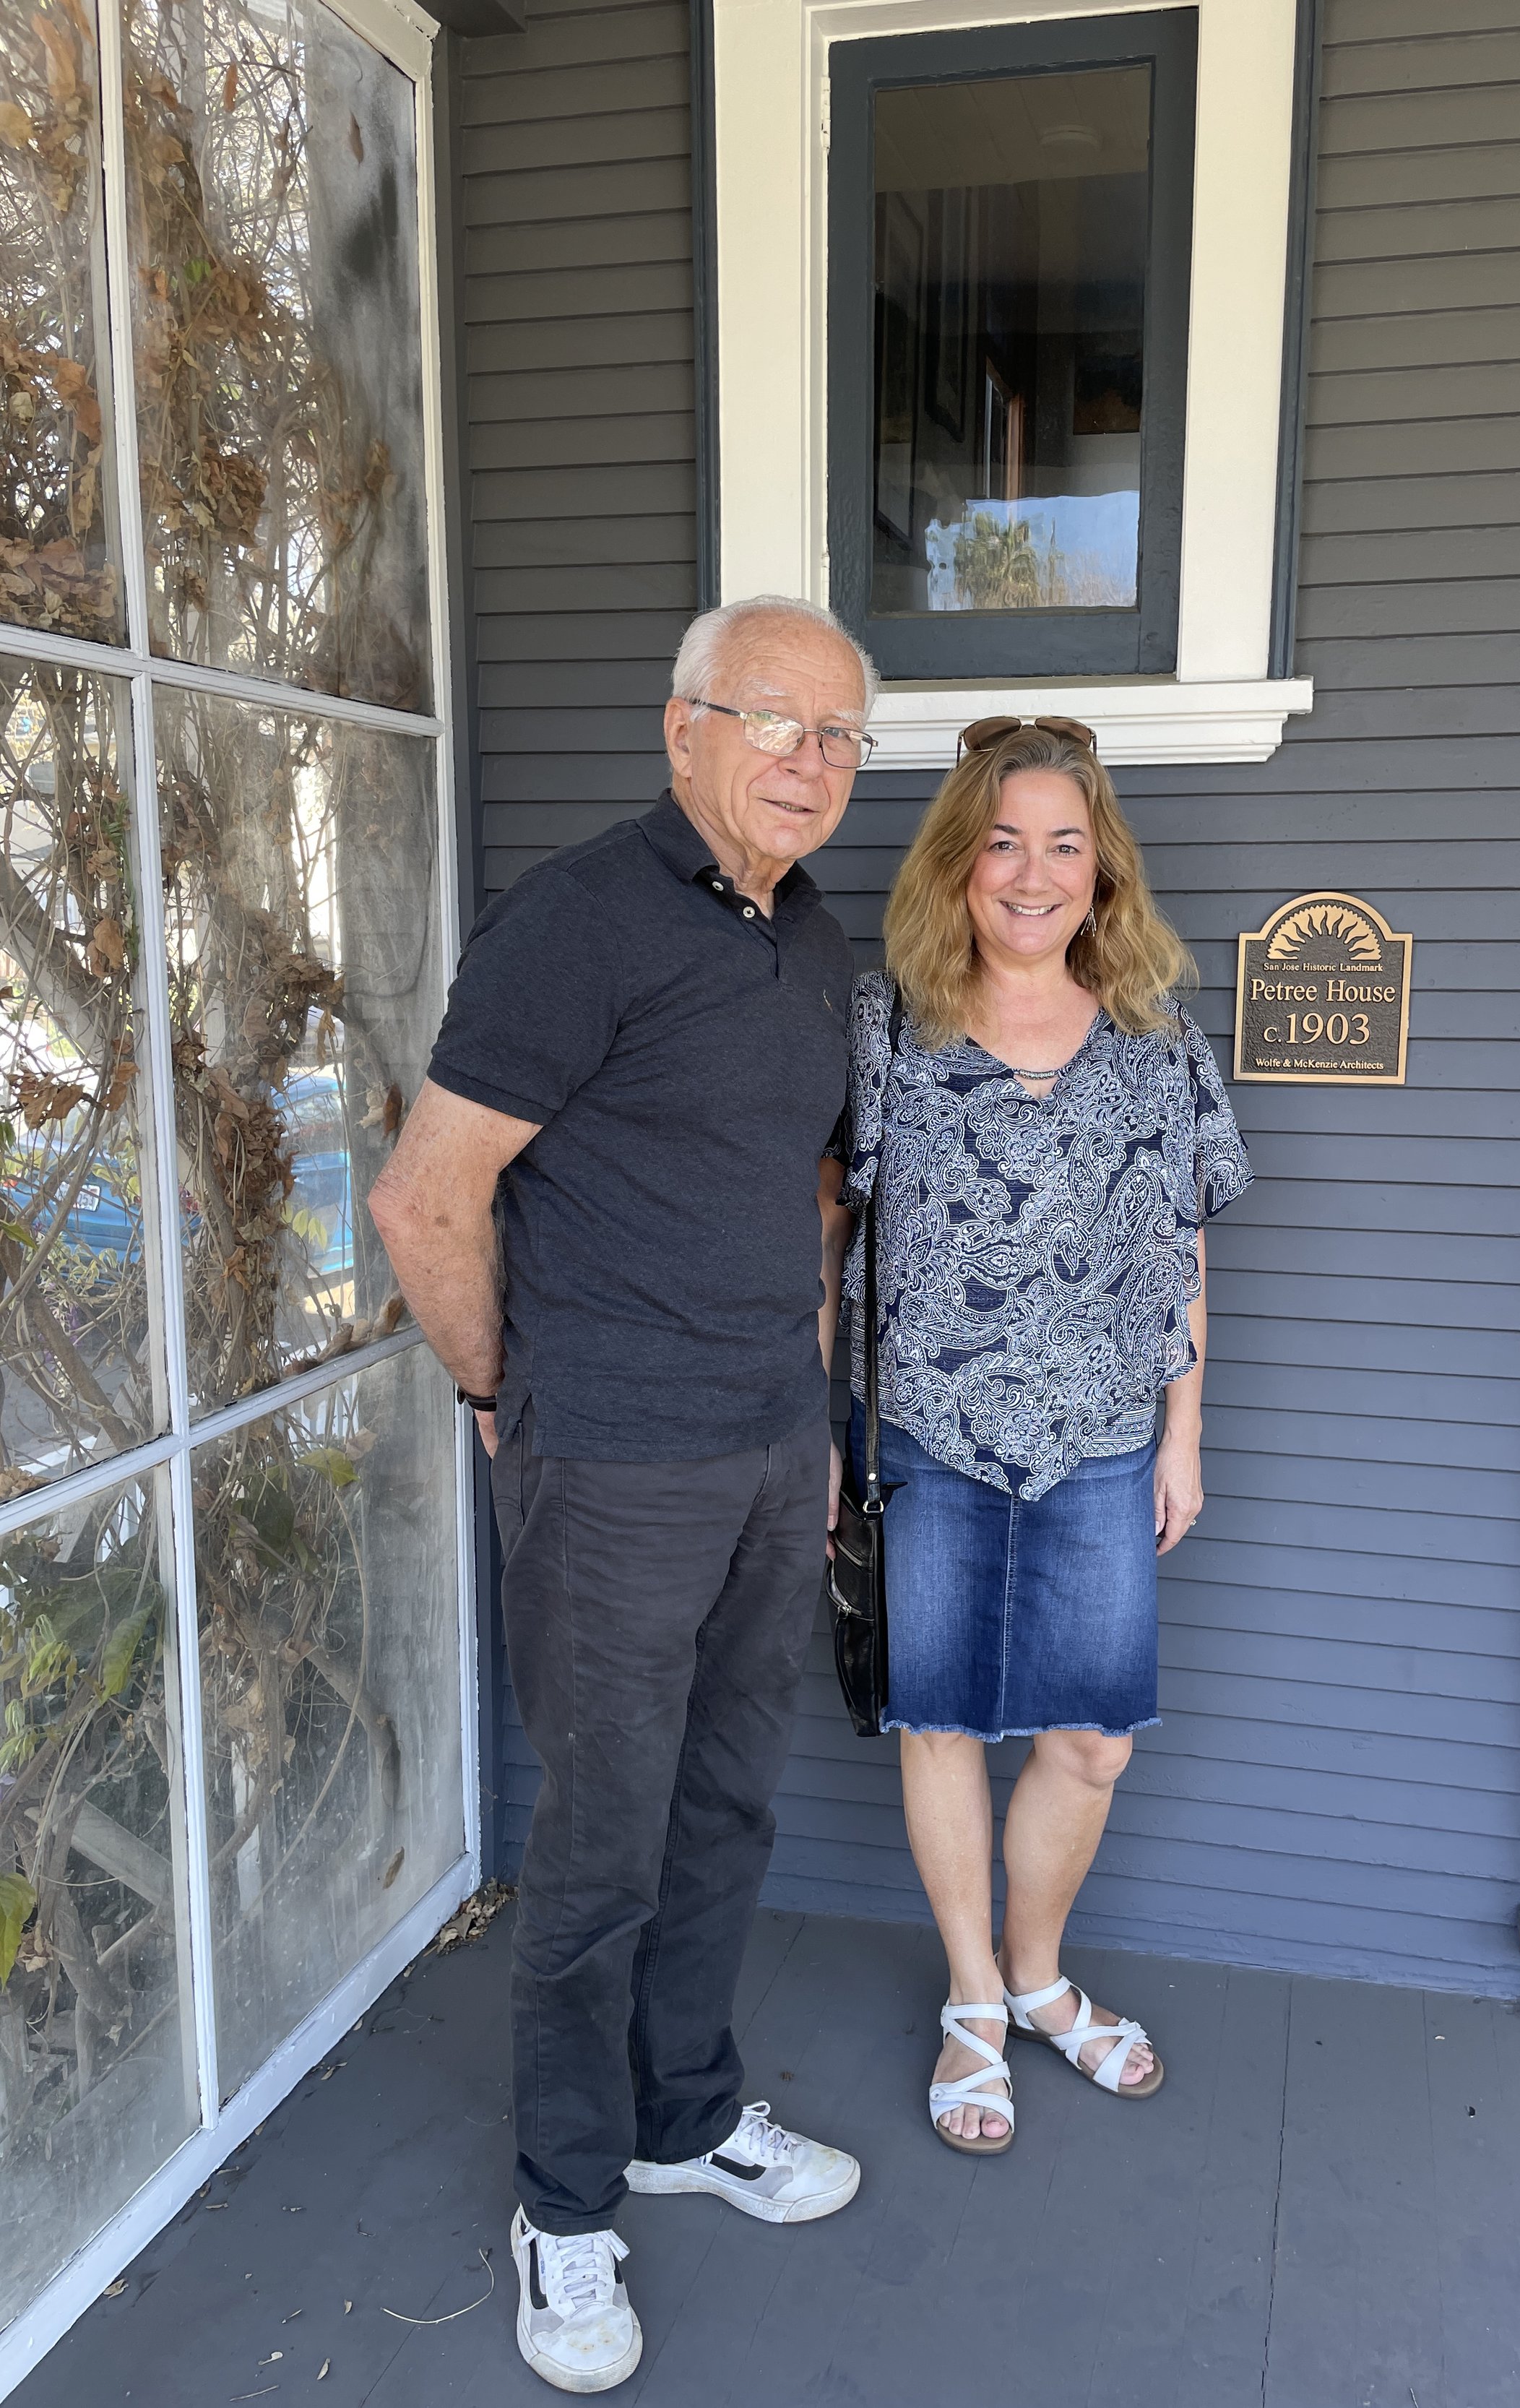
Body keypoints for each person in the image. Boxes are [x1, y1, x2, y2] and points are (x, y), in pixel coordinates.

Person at [371, 595, 878, 2394]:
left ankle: (686, 2115)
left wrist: (810, 1418)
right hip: (610, 1455)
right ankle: (563, 2203)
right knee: (595, 1851)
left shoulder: (811, 940)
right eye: (775, 722)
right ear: (683, 731)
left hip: (762, 1443)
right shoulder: (574, 922)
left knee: (726, 1802)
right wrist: (504, 1387)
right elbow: (425, 1199)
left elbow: (798, 1196)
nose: (810, 762)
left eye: (839, 736)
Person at [829, 717, 1251, 2154]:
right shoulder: (882, 1021)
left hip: (1102, 1436)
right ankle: (968, 1999)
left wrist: (1184, 1432)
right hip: (928, 1432)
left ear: (1099, 870)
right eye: (1000, 840)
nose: (1030, 870)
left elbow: (1182, 1240)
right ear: (955, 862)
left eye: (1061, 842)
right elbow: (830, 1225)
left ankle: (1037, 1976)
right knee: (937, 1717)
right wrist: (829, 1423)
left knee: (1086, 1742)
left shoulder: (1153, 1040)